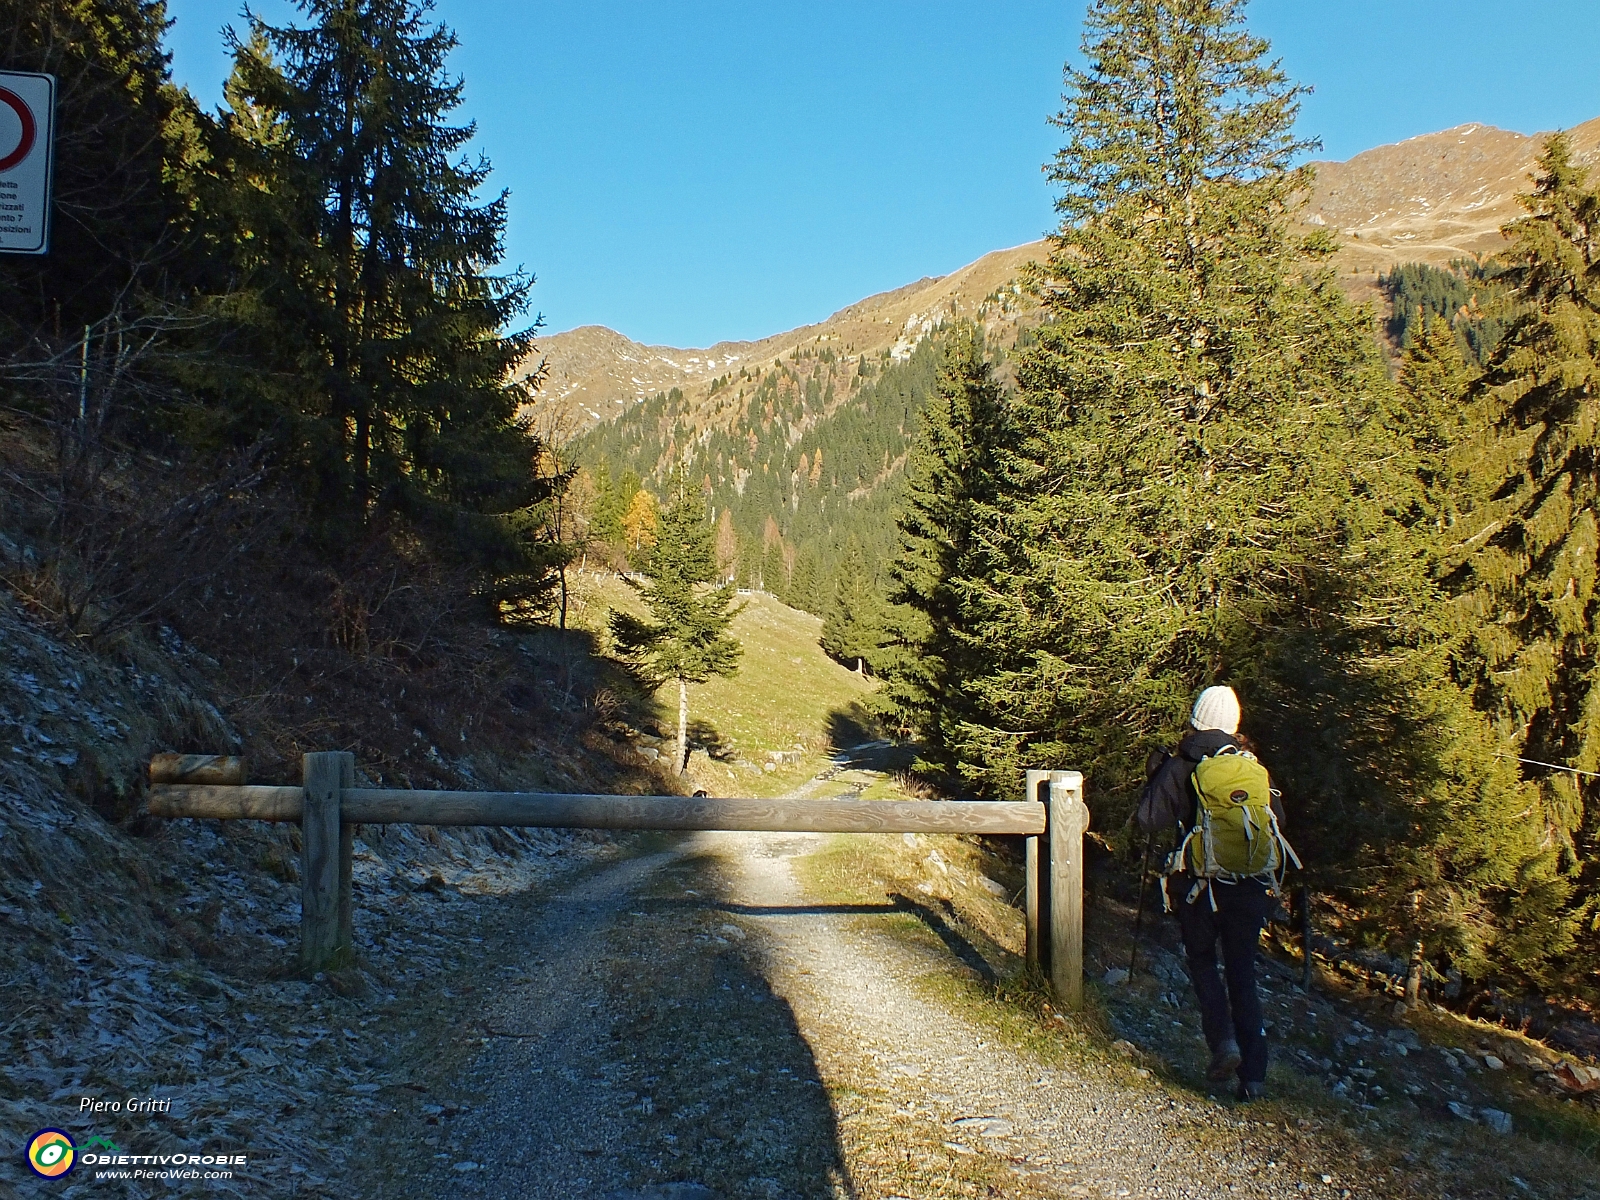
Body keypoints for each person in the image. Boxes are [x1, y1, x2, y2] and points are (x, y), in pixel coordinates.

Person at [1137, 685, 1286, 1101]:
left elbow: (1148, 819)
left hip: (1201, 890)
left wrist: (1156, 776)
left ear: (1196, 719)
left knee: (1203, 962)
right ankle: (1254, 1078)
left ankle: (1223, 1043)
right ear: (1234, 724)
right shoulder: (1252, 769)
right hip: (1250, 888)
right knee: (1243, 974)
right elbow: (1278, 822)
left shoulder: (1182, 764)